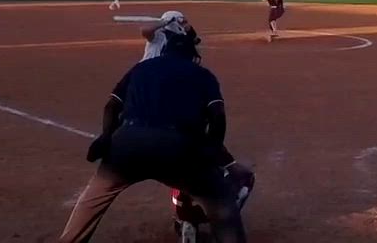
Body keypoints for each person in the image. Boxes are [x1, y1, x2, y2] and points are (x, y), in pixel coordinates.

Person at [56, 31, 249, 243]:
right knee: (221, 204)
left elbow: (111, 106)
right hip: (177, 148)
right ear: (193, 56)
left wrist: (105, 137)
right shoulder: (203, 74)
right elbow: (217, 116)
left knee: (90, 203)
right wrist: (213, 152)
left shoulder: (141, 68)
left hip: (126, 144)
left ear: (164, 51)